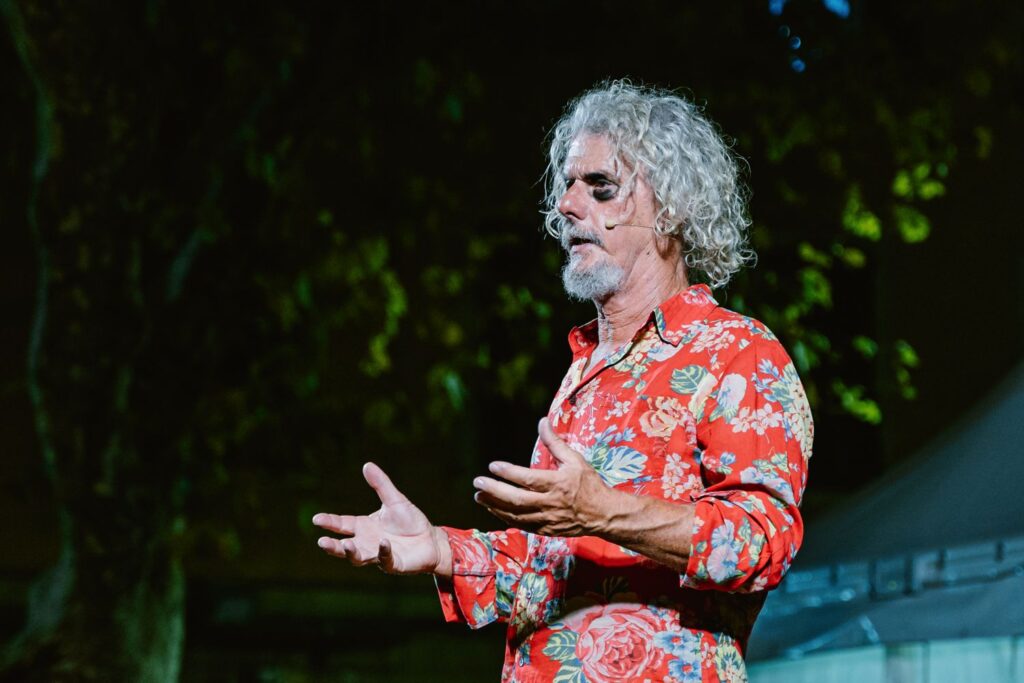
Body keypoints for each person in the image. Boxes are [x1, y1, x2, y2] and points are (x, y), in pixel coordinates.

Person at [313, 80, 813, 682]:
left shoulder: (737, 352)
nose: (568, 206)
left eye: (601, 187)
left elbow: (764, 541)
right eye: (567, 187)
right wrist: (437, 548)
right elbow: (545, 574)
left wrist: (605, 512)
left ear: (673, 210)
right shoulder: (585, 371)